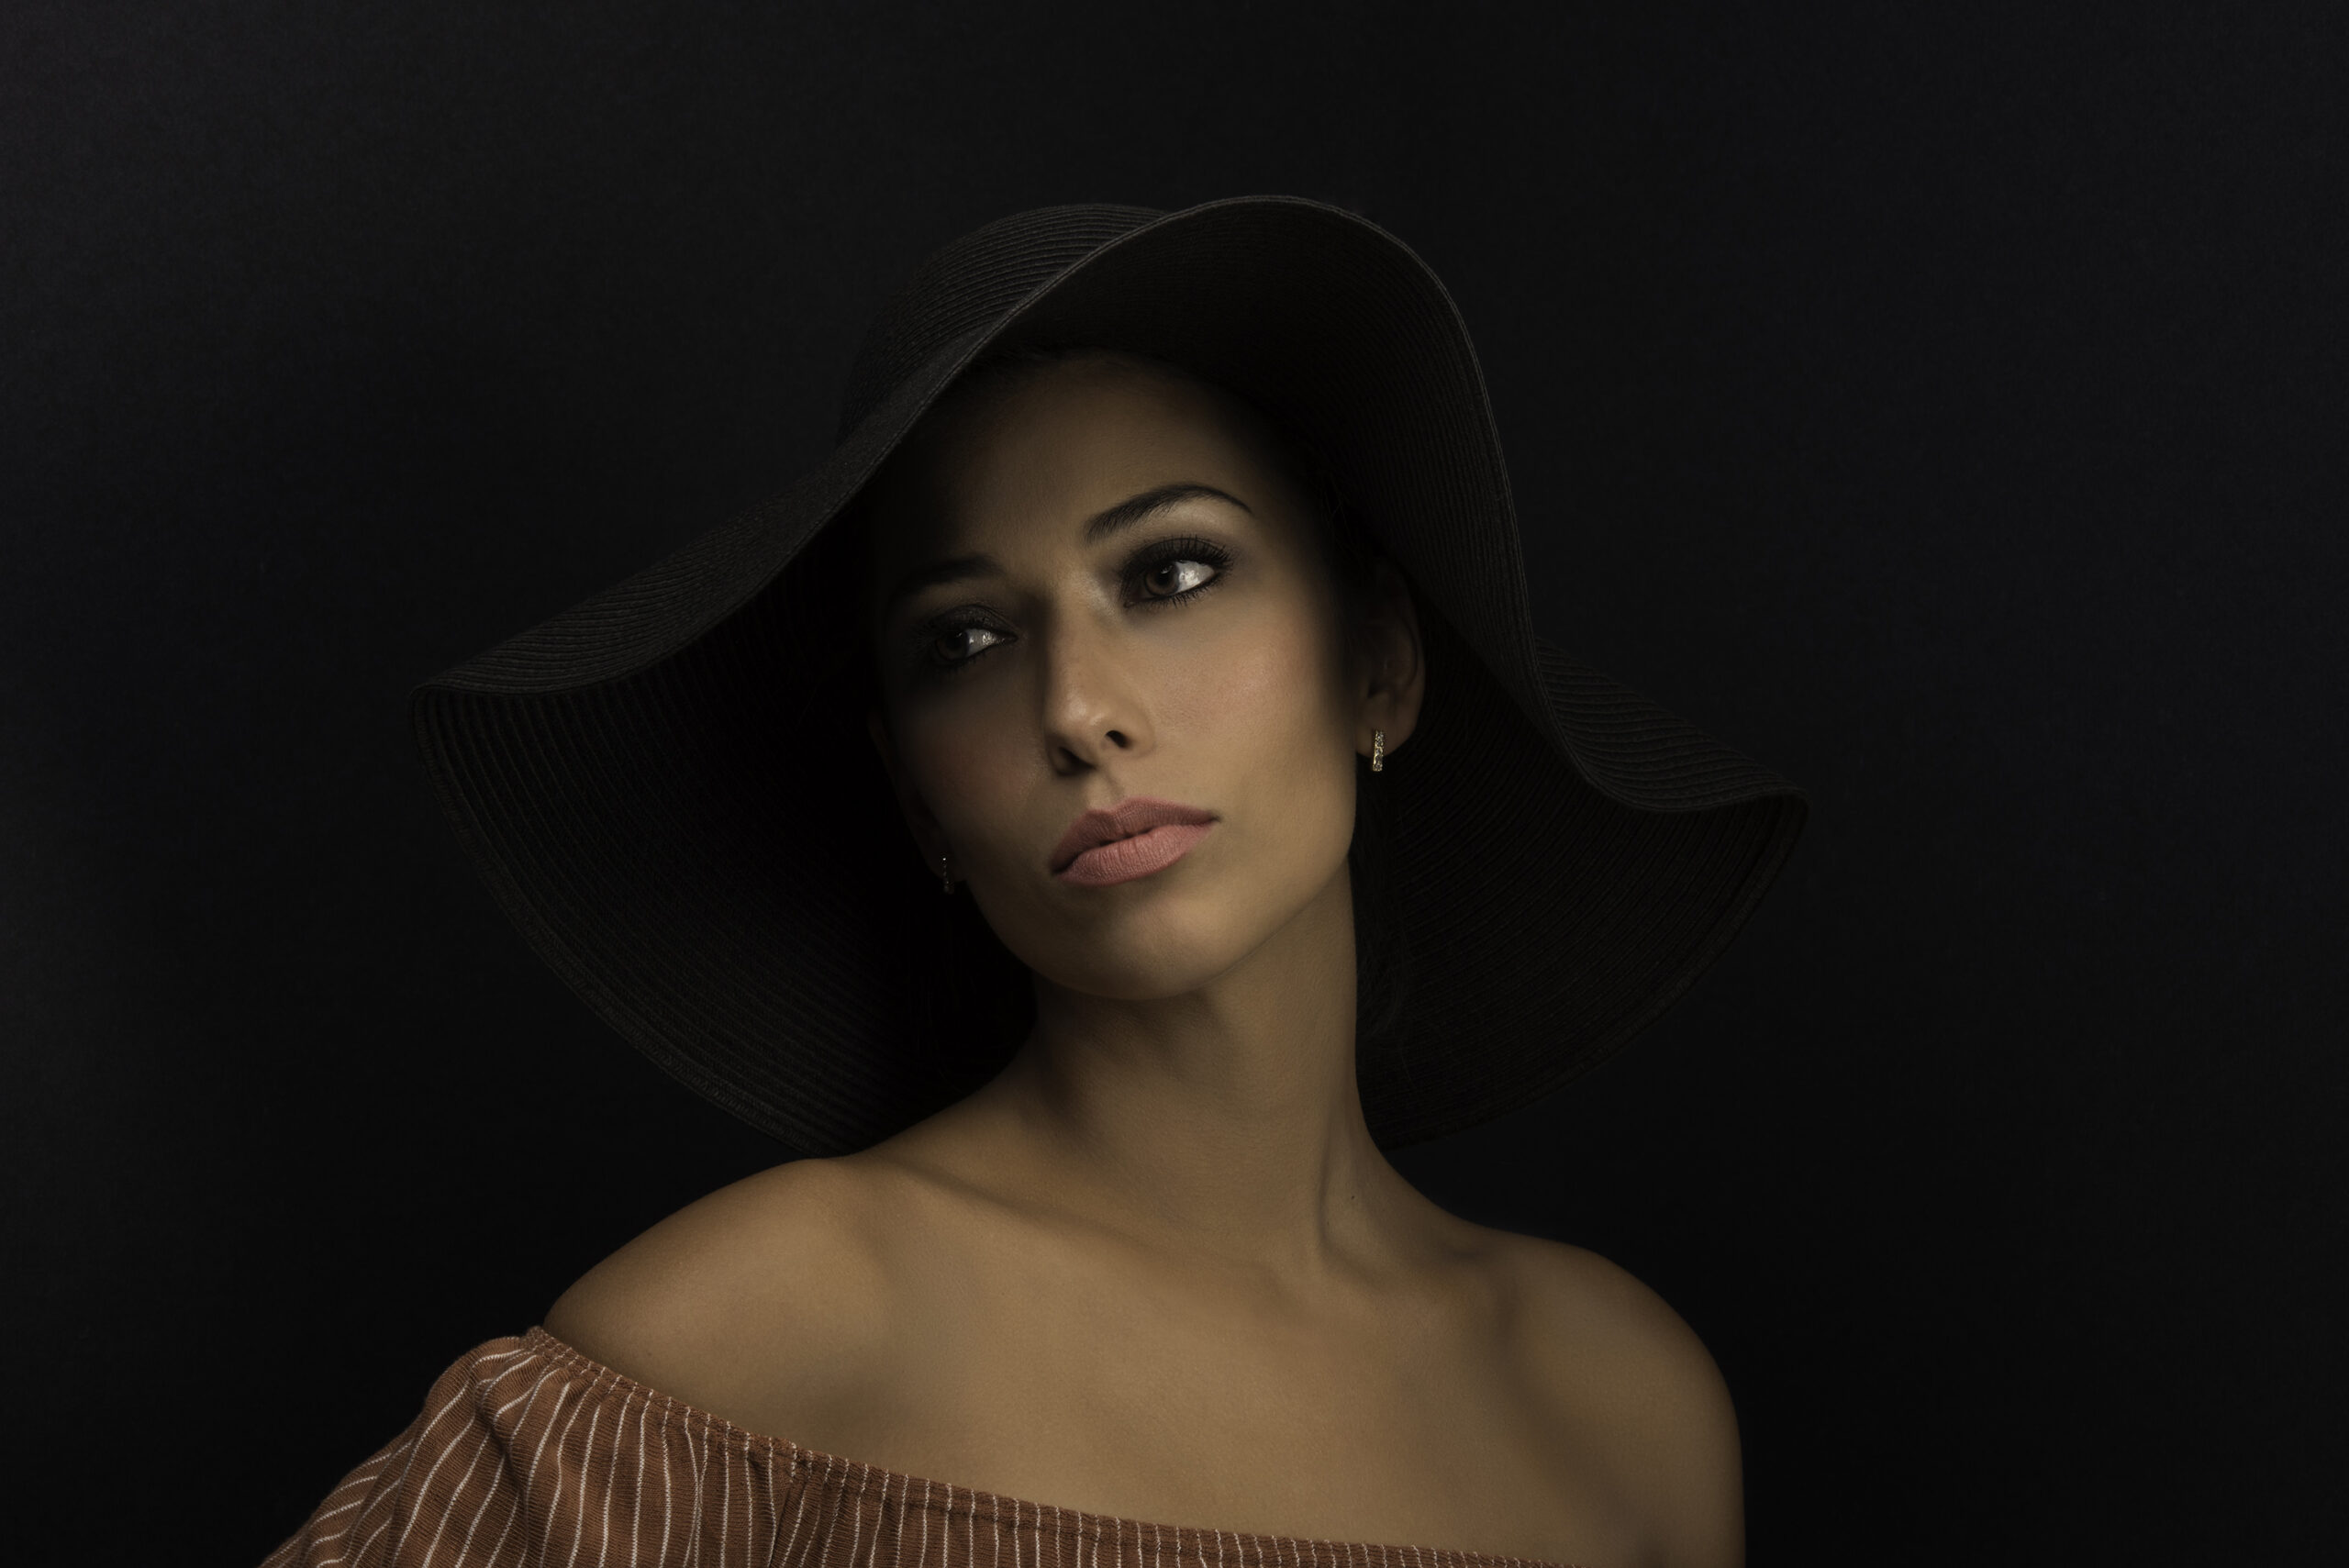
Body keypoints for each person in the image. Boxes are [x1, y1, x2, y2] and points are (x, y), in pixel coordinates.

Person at [264, 197, 1806, 1568]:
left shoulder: (1621, 1404)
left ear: (1381, 664)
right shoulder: (776, 1322)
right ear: (915, 794)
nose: (1076, 708)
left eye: (1171, 572)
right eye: (967, 641)